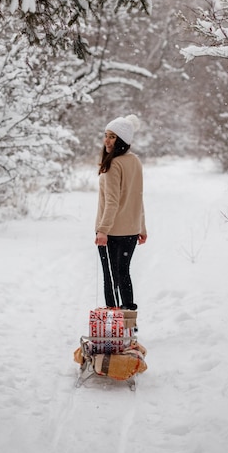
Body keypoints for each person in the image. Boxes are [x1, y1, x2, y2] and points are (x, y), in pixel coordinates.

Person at [95, 114, 147, 310]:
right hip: (131, 231)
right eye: (106, 135)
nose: (107, 140)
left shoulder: (113, 164)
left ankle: (114, 324)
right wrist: (141, 227)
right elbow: (138, 197)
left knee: (111, 277)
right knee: (123, 273)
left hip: (112, 232)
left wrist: (102, 230)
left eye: (113, 137)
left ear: (122, 140)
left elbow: (112, 201)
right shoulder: (135, 161)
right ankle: (128, 323)